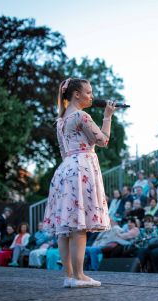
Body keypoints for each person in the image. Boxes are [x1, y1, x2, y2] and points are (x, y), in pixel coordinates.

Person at [43, 78, 119, 288]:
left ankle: (69, 275)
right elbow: (103, 140)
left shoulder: (60, 121)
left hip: (66, 168)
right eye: (88, 92)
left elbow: (63, 151)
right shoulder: (81, 116)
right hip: (81, 167)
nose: (91, 96)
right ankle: (80, 276)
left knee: (65, 226)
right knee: (79, 225)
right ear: (76, 94)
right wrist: (107, 117)